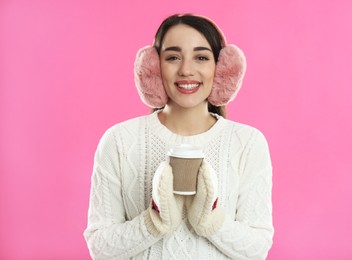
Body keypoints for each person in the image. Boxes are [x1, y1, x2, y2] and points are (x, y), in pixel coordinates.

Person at [84, 14, 274, 260]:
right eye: (173, 57)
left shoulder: (248, 143)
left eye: (201, 57)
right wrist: (154, 221)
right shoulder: (120, 141)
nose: (186, 70)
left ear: (223, 69)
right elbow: (100, 247)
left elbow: (257, 248)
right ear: (152, 68)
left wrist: (211, 221)